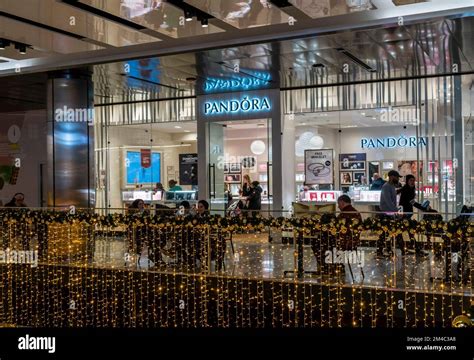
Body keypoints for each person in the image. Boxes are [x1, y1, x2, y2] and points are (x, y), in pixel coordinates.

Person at [377, 170, 401, 256]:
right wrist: (396, 211)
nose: (398, 179)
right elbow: (388, 201)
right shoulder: (386, 187)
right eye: (397, 177)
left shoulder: (391, 186)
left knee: (389, 233)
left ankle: (388, 249)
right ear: (391, 176)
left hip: (389, 213)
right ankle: (380, 251)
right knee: (384, 233)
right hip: (386, 214)